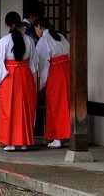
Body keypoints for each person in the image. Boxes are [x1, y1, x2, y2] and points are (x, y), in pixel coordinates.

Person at [0, 11, 39, 152]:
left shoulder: (3, 41)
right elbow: (35, 63)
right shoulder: (28, 40)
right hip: (25, 76)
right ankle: (23, 142)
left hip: (9, 77)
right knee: (25, 109)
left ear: (7, 25)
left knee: (8, 110)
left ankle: (10, 142)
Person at [33, 17, 70, 149]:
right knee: (66, 102)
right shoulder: (60, 36)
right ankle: (67, 135)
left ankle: (58, 137)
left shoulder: (43, 41)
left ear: (40, 27)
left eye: (36, 28)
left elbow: (42, 64)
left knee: (55, 104)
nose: (36, 31)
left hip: (55, 72)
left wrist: (41, 82)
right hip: (66, 69)